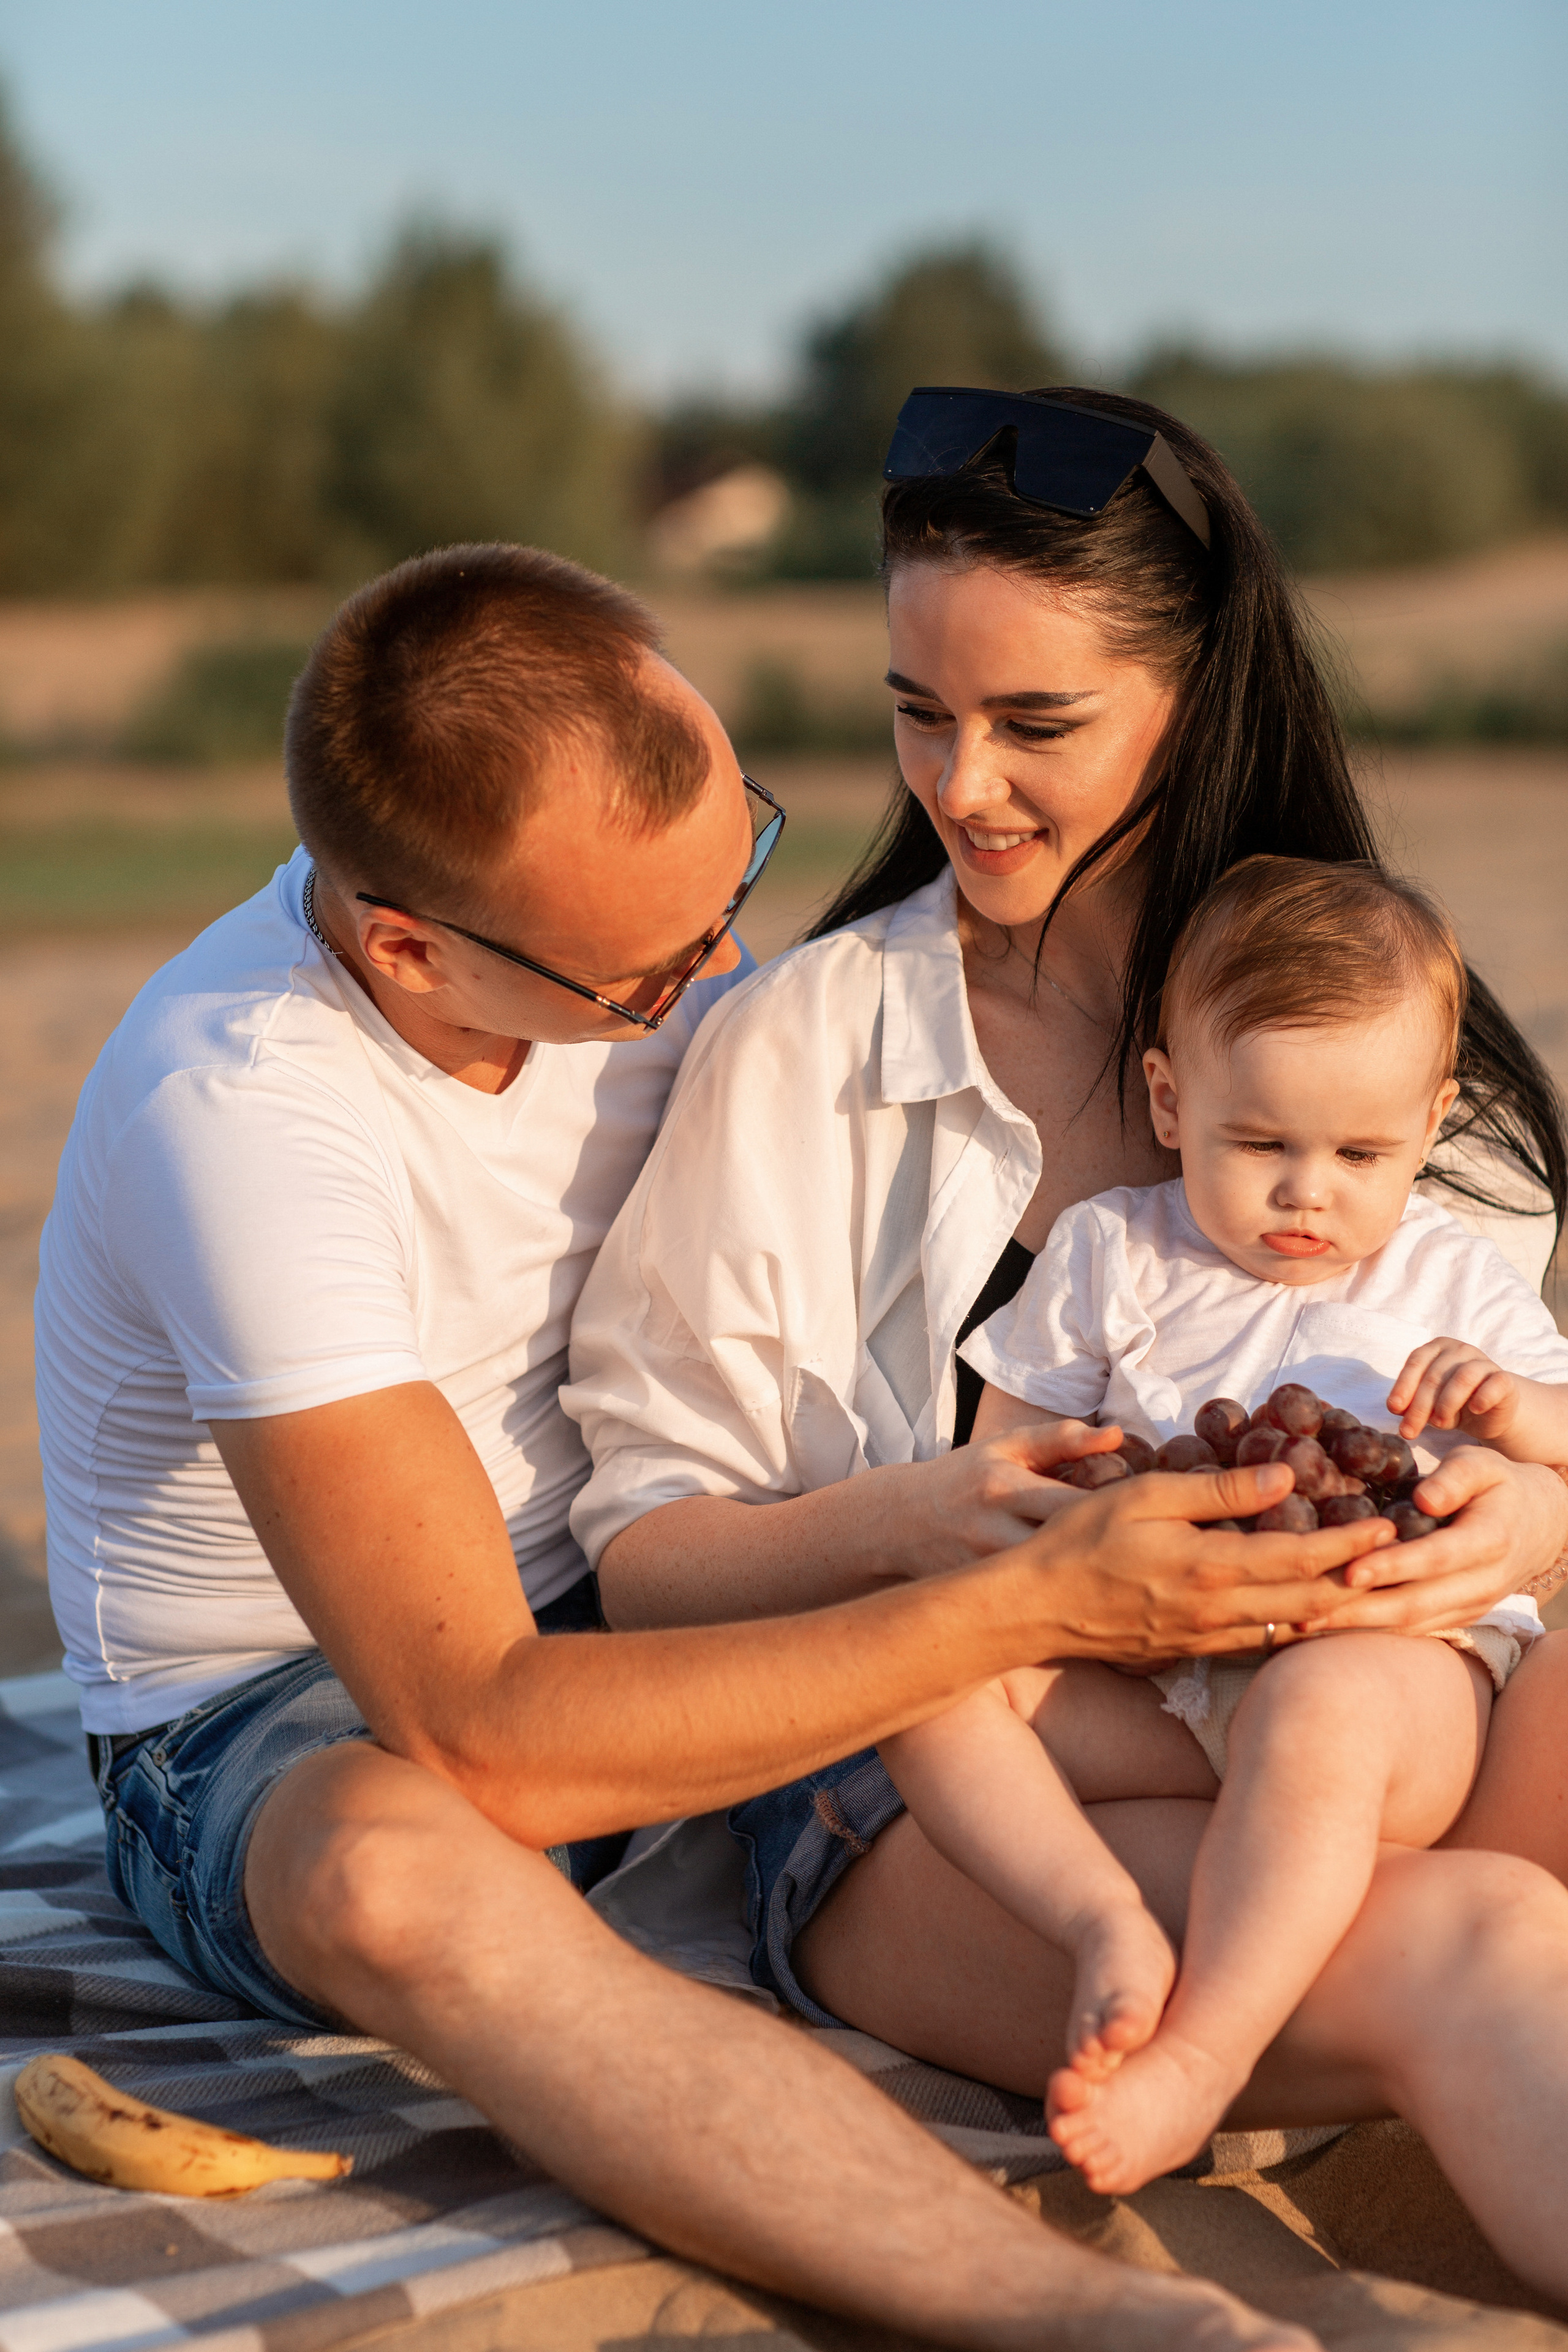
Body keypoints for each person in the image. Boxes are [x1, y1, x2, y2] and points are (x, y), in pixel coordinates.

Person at [36, 540, 1372, 2352]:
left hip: (657, 1587)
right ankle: (1105, 2322)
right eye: (655, 975)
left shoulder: (626, 945)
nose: (728, 963)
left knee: (1327, 1718)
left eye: (741, 863)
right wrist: (1014, 1609)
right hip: (295, 1708)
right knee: (380, 1869)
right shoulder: (246, 1118)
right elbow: (478, 1727)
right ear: (411, 948)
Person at [565, 388, 1568, 2301]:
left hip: (1382, 1723)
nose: (963, 786)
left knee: (1463, 1827)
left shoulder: (1378, 1044)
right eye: (917, 711)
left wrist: (1526, 1521)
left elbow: (1512, 1436)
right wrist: (963, 1538)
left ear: (1197, 698)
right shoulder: (805, 1051)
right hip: (955, 1793)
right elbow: (649, 1565)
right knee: (1486, 1946)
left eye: (1037, 724)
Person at [883, 853, 1568, 2204]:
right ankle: (1098, 1919)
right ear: (1168, 1100)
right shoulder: (1109, 1250)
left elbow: (1554, 1453)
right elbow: (1004, 1464)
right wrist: (1077, 1515)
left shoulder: (1452, 1275)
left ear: (1431, 1123)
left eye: (1359, 1155)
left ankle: (1203, 2052)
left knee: (1316, 1712)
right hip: (1162, 1673)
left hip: (1396, 1675)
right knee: (922, 1666)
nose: (1306, 1193)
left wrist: (1523, 1416)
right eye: (1259, 1145)